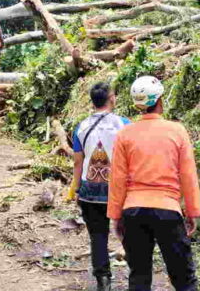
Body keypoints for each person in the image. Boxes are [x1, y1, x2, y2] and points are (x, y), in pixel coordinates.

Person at [108, 76, 200, 291]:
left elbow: (117, 179)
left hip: (133, 211)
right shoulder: (176, 131)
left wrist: (116, 216)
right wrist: (192, 211)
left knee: (139, 277)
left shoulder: (125, 134)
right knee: (184, 279)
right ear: (160, 99)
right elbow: (188, 175)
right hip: (168, 211)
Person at [66, 82, 131, 291]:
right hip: (119, 189)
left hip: (90, 190)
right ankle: (138, 275)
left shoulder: (81, 127)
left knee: (98, 236)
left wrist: (76, 188)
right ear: (111, 98)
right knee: (129, 230)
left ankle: (103, 280)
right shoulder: (124, 124)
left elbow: (78, 162)